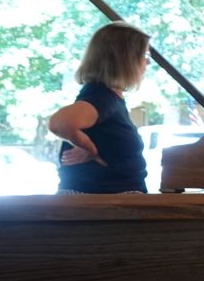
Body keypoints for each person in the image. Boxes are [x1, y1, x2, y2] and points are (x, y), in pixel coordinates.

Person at [47, 22, 152, 194]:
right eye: (144, 55)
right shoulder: (102, 96)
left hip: (111, 202)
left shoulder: (107, 97)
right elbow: (60, 122)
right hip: (100, 204)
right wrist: (89, 148)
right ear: (125, 59)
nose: (148, 62)